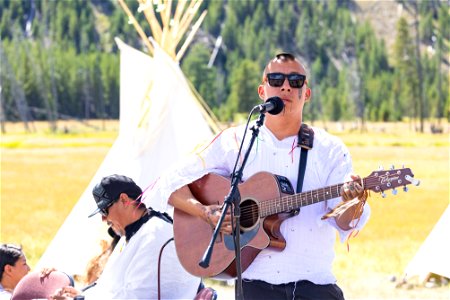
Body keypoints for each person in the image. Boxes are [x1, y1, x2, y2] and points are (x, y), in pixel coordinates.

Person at [162, 53, 371, 299]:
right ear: (262, 91)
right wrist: (207, 212)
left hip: (315, 287)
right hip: (253, 288)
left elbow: (345, 221)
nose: (285, 86)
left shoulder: (329, 149)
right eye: (276, 79)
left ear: (307, 93)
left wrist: (351, 201)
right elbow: (172, 184)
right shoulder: (235, 142)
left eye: (296, 80)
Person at [51, 174, 201, 299]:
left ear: (124, 200)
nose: (104, 219)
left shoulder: (155, 235)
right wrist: (83, 294)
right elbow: (109, 286)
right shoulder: (134, 232)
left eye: (104, 210)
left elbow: (137, 296)